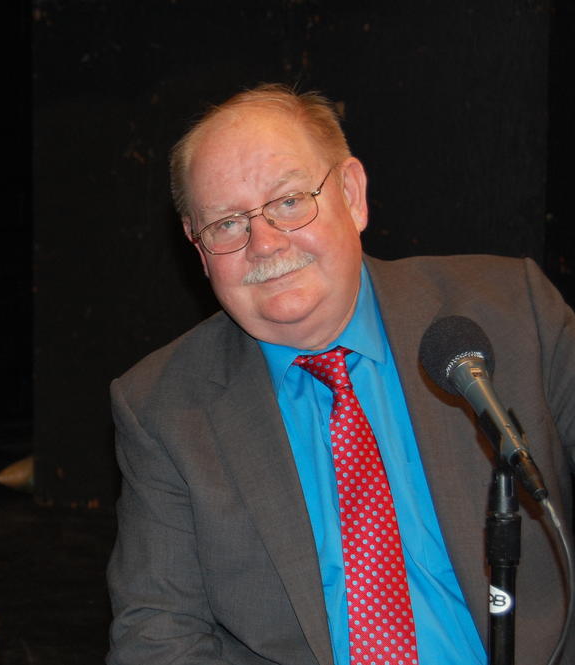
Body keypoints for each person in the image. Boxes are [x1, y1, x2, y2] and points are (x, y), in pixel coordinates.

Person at [107, 83, 575, 665]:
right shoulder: (163, 406)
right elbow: (157, 635)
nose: (265, 243)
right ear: (198, 250)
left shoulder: (511, 313)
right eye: (227, 223)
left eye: (288, 201)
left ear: (352, 195)